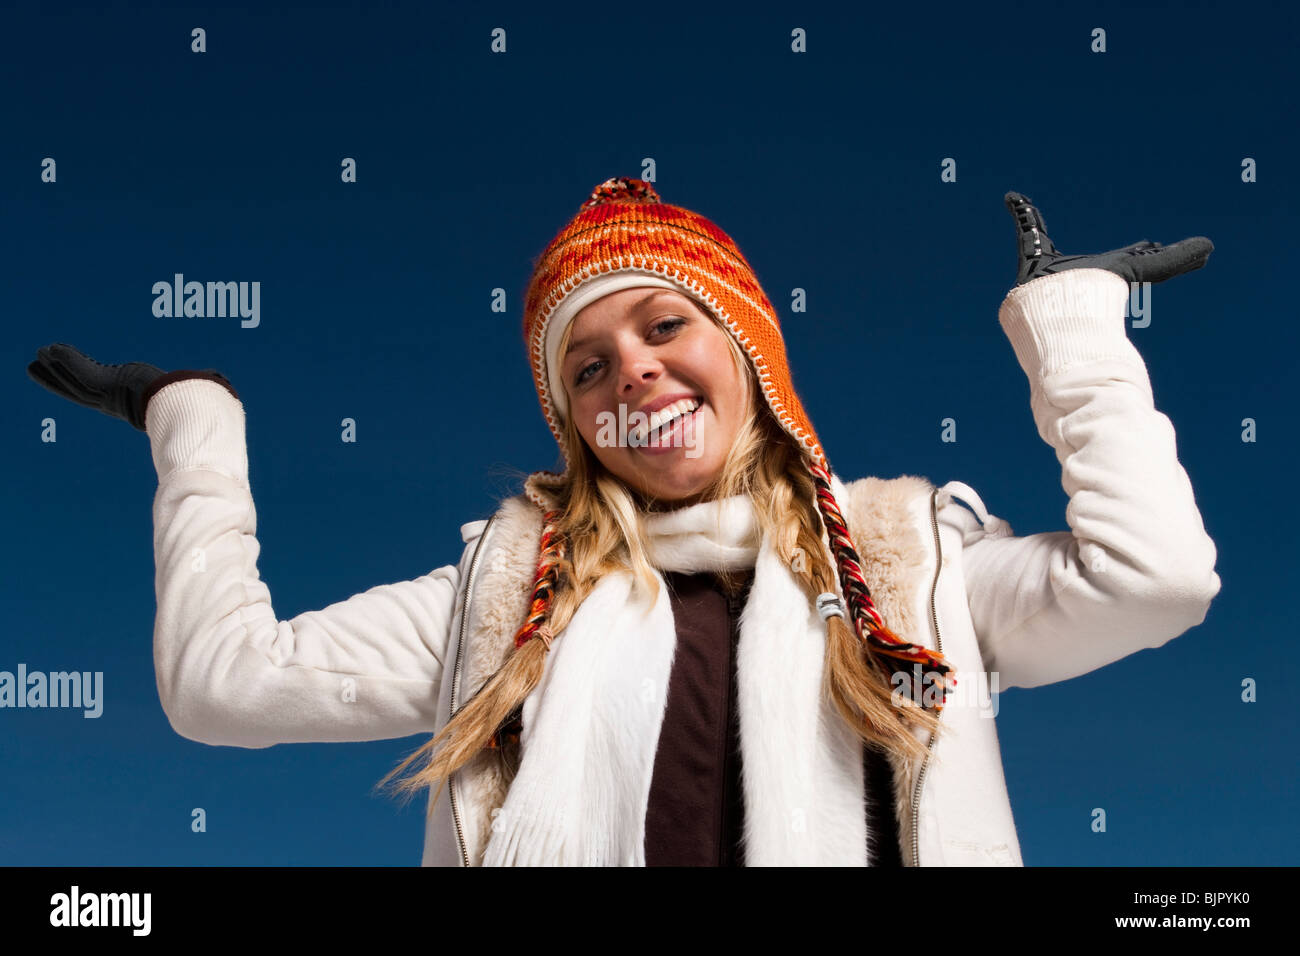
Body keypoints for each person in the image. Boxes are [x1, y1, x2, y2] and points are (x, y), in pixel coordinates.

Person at [26, 177, 1222, 867]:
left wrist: (1069, 322)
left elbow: (1152, 577)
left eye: (663, 327)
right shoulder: (501, 599)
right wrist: (192, 425)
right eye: (585, 369)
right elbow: (222, 682)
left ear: (749, 350)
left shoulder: (909, 568)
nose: (629, 376)